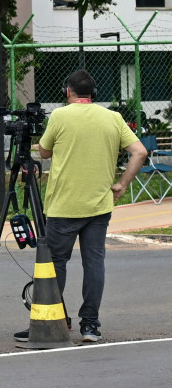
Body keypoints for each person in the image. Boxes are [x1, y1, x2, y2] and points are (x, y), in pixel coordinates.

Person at [22, 69, 148, 344]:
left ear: (68, 92)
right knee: (94, 263)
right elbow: (140, 152)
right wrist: (122, 184)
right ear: (93, 93)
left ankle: (54, 318)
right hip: (99, 204)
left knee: (56, 264)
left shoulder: (60, 115)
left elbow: (43, 151)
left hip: (64, 204)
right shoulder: (112, 118)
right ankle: (90, 324)